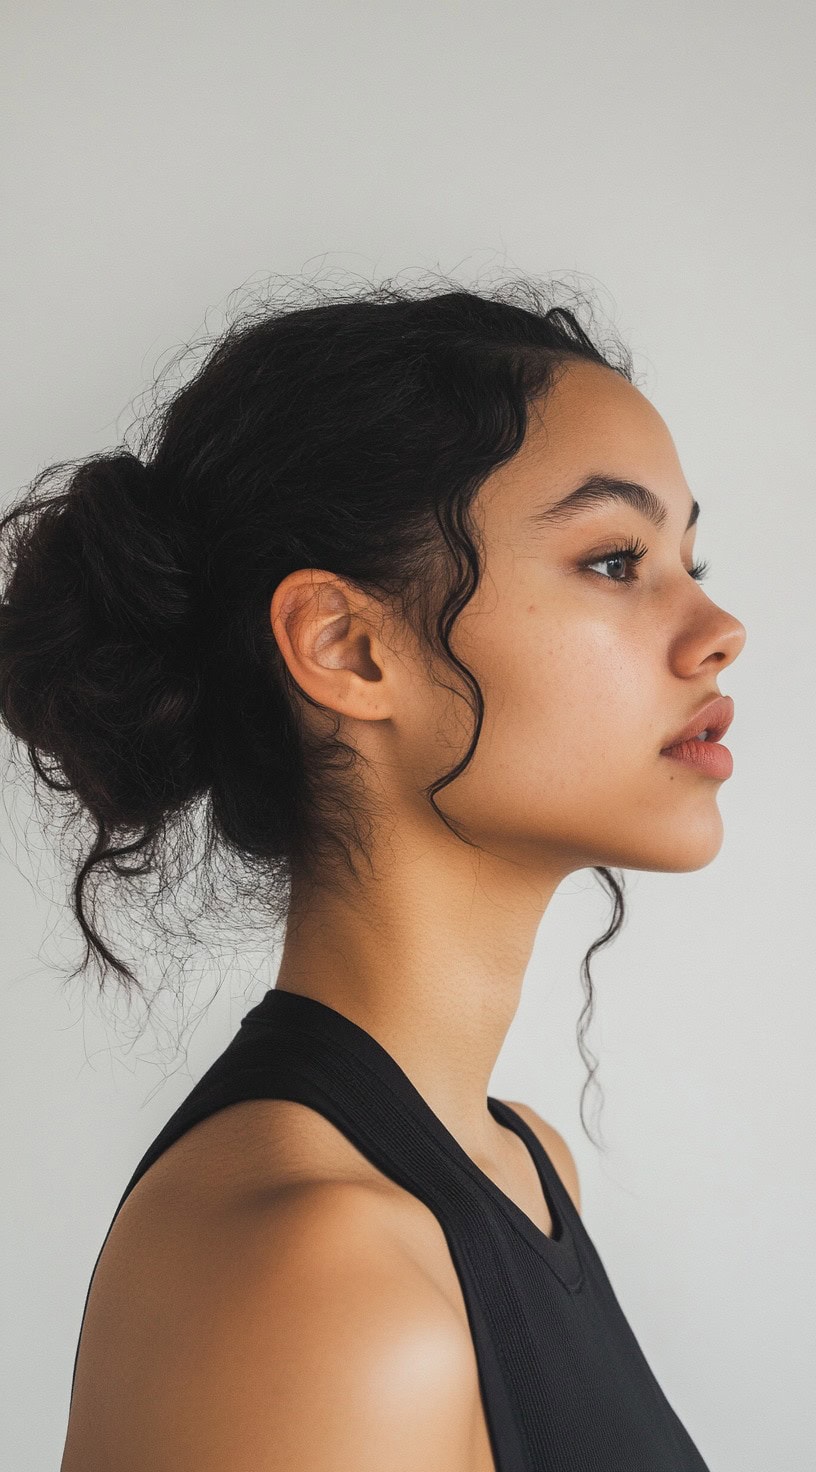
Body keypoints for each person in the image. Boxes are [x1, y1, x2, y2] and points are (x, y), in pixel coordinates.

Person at [0, 277, 745, 1470]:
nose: (718, 626)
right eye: (615, 559)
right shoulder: (326, 1277)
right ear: (349, 647)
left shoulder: (522, 1167)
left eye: (690, 556)